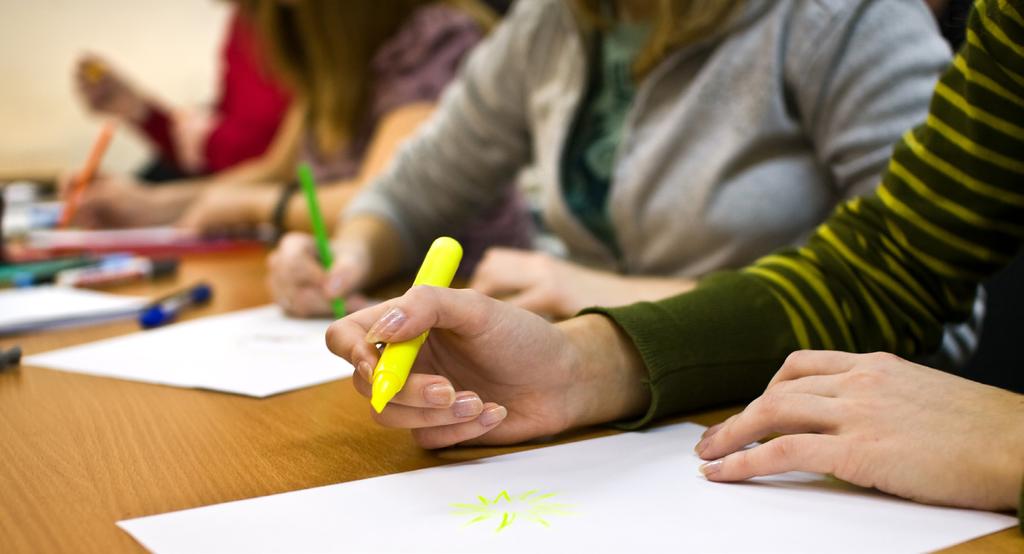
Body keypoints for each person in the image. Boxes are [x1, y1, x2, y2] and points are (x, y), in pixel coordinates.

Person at [324, 0, 1023, 525]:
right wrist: (581, 362)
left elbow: (939, 336)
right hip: (680, 426)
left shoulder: (836, 19)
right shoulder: (555, 21)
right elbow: (885, 271)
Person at [268, 0, 979, 368]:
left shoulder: (836, 18)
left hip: (778, 424)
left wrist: (614, 302)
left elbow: (939, 306)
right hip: (620, 403)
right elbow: (421, 183)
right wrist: (353, 250)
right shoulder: (557, 21)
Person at [67, 0, 530, 269]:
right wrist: (151, 205)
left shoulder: (434, 41)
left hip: (464, 293)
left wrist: (254, 207)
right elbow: (273, 169)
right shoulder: (334, 62)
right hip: (365, 286)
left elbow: (388, 197)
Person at [75, 4, 291, 181]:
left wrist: (208, 141)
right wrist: (142, 112)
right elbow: (211, 156)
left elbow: (282, 161)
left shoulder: (300, 24)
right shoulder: (243, 23)